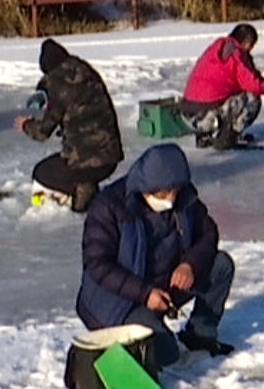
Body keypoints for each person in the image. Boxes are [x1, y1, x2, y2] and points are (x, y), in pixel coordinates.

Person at [76, 144, 235, 365]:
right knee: (166, 355)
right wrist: (145, 294)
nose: (169, 199)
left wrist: (190, 264)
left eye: (173, 191)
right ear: (144, 186)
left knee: (220, 265)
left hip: (164, 286)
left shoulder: (184, 199)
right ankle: (125, 340)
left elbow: (208, 232)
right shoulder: (109, 207)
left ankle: (199, 336)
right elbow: (98, 265)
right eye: (161, 193)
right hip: (118, 301)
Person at [16, 38, 123, 213]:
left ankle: (81, 190)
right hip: (111, 157)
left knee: (41, 172)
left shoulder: (57, 85)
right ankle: (85, 186)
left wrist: (26, 124)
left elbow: (43, 132)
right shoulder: (85, 71)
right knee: (77, 159)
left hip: (87, 161)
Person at [178, 24, 264, 150]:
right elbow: (253, 85)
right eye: (252, 45)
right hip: (206, 115)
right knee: (252, 98)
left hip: (187, 113)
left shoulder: (217, 47)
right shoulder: (236, 54)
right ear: (247, 42)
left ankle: (205, 136)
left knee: (225, 93)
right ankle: (227, 139)